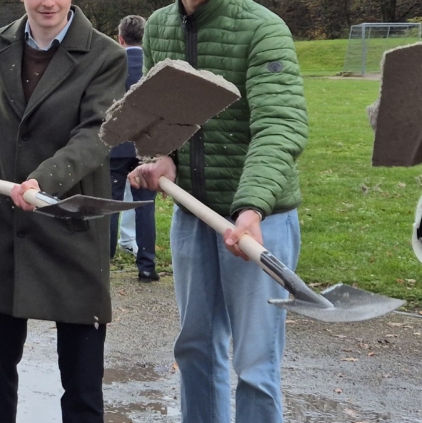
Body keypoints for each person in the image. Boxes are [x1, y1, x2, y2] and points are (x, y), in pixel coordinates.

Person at [0, 0, 126, 421]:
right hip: (6, 229)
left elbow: (97, 133)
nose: (48, 3)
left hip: (71, 226)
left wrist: (45, 181)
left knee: (81, 384)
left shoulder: (104, 55)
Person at [129, 0, 308, 422]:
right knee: (195, 350)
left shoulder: (263, 27)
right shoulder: (158, 26)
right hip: (194, 215)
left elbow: (280, 124)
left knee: (255, 365)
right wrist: (164, 156)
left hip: (260, 220)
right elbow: (160, 116)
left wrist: (251, 207)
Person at [108, 14, 158, 282]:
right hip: (146, 146)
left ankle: (104, 261)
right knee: (145, 207)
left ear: (120, 38)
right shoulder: (155, 66)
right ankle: (147, 265)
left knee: (110, 203)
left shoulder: (110, 63)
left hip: (116, 143)